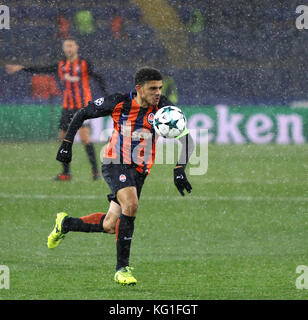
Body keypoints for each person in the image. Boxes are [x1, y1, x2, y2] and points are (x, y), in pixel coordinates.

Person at [48, 67, 194, 286]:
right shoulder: (118, 102)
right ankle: (122, 269)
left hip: (140, 170)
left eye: (160, 88)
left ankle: (66, 223)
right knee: (131, 205)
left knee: (110, 224)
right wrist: (67, 143)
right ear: (139, 89)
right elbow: (82, 113)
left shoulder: (163, 108)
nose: (157, 92)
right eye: (152, 88)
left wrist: (179, 168)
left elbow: (187, 139)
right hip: (115, 161)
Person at [6, 37, 107, 181]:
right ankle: (66, 173)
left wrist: (107, 97)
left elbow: (99, 78)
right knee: (63, 139)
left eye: (71, 45)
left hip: (82, 107)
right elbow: (42, 69)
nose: (68, 48)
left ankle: (95, 172)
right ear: (64, 48)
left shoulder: (84, 64)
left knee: (85, 138)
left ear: (76, 47)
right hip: (67, 107)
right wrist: (22, 68)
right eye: (66, 46)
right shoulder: (61, 65)